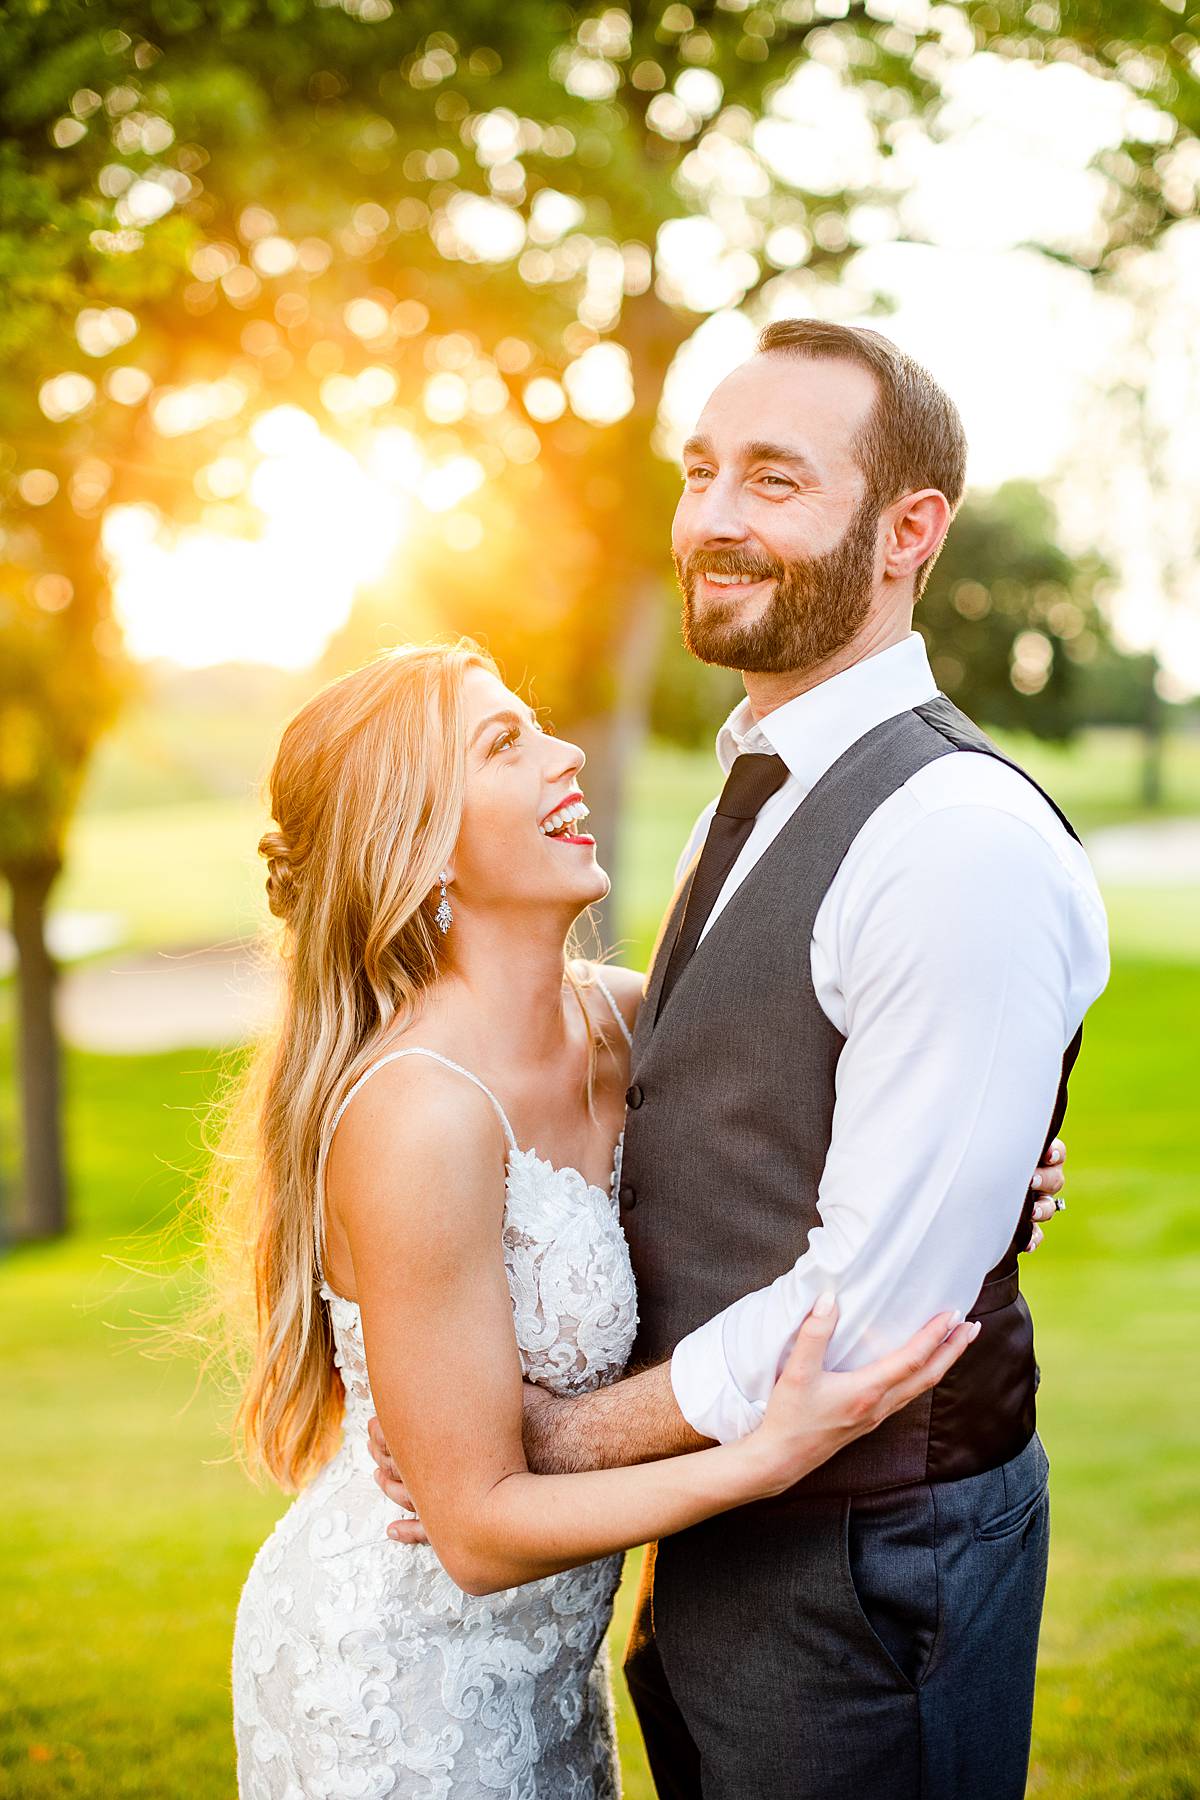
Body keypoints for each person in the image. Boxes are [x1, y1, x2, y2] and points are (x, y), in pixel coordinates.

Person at [371, 320, 1106, 1800]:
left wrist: (562, 1440)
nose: (713, 519)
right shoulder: (758, 779)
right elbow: (716, 1058)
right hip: (722, 1549)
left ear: (910, 532)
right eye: (701, 472)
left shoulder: (953, 839)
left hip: (869, 1563)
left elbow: (872, 1309)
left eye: (774, 481)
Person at [225, 639, 1009, 1799]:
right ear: (417, 843)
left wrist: (992, 1167)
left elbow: (848, 1141)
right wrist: (765, 1457)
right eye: (504, 743)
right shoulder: (420, 1115)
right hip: (405, 1689)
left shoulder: (629, 1024)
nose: (566, 751)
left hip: (551, 1674)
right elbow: (478, 1533)